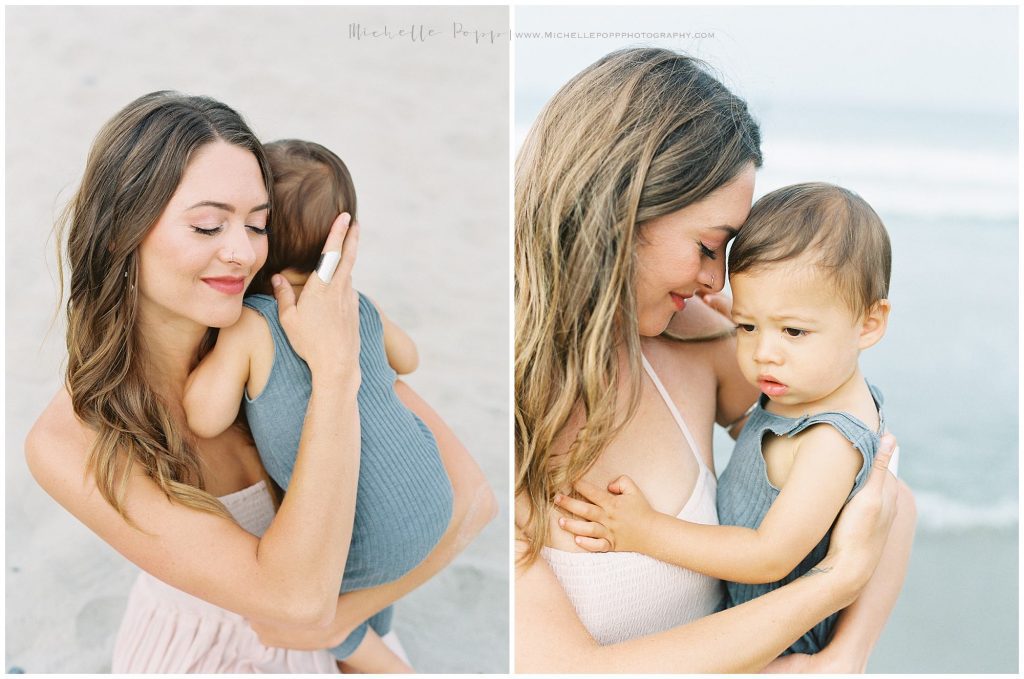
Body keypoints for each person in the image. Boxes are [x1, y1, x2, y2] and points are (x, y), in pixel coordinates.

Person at [25, 91, 496, 673]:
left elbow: (473, 498)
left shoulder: (284, 327)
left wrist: (349, 624)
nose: (242, 252)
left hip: (334, 629)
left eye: (258, 225)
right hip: (203, 652)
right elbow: (293, 600)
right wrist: (334, 376)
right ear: (122, 229)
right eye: (207, 224)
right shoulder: (68, 443)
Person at [515, 48, 916, 673]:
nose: (714, 285)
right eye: (708, 248)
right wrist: (833, 584)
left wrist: (845, 655)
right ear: (621, 209)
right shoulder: (508, 403)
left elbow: (881, 484)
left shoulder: (693, 338)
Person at [554, 182, 895, 656]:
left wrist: (645, 530)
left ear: (869, 324)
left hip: (778, 647)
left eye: (793, 330)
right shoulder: (806, 392)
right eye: (747, 326)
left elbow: (768, 555)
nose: (764, 354)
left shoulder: (830, 441)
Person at [183, 138, 454, 673]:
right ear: (344, 237)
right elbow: (410, 357)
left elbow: (204, 415)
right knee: (377, 574)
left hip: (364, 531)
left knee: (323, 605)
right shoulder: (354, 303)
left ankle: (362, 652)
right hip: (432, 501)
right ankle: (376, 630)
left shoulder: (254, 323)